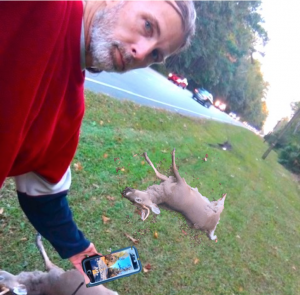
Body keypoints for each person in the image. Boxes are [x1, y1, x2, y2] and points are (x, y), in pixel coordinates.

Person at [0, 0, 196, 284]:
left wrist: (81, 252)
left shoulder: (70, 109)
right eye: (147, 25)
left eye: (155, 54)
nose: (140, 52)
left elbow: (44, 195)